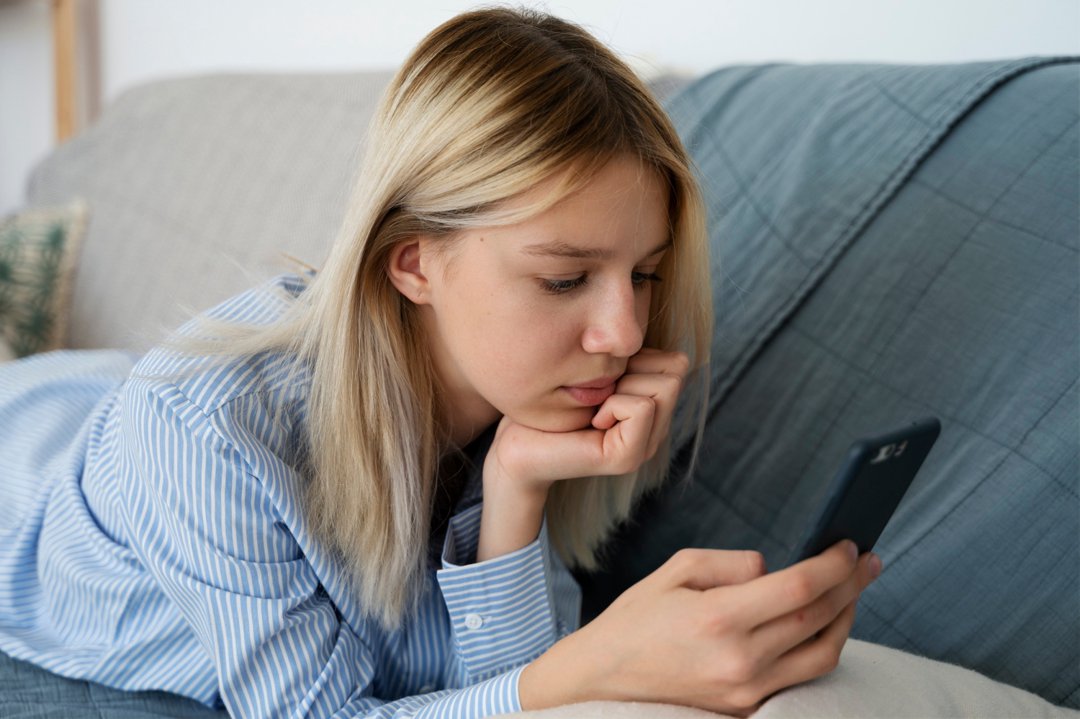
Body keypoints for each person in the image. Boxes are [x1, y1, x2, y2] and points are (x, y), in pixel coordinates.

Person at [0, 7, 880, 718]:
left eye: (644, 274)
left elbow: (476, 687)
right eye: (566, 276)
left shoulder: (535, 393)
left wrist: (517, 488)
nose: (621, 331)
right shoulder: (208, 430)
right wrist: (584, 668)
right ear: (414, 261)